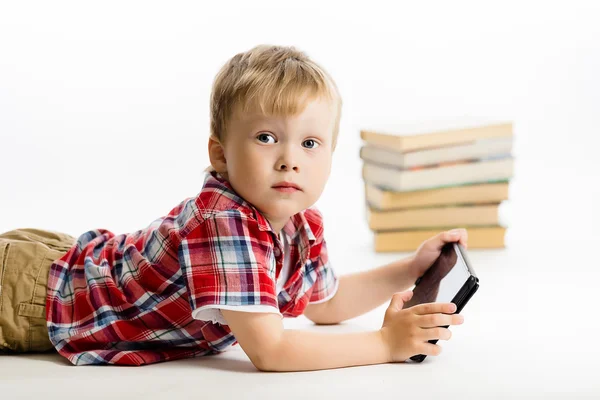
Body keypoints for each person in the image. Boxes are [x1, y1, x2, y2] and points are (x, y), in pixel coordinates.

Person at [0, 44, 467, 370]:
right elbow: (272, 351)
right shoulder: (225, 220)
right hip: (36, 294)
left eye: (309, 142)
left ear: (330, 155)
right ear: (220, 154)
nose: (289, 159)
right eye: (267, 137)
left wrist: (410, 269)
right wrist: (385, 344)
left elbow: (324, 305)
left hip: (68, 264)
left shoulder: (299, 225)